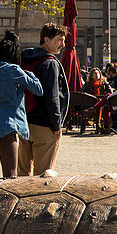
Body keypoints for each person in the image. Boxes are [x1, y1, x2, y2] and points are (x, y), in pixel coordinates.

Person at [0, 32, 42, 183]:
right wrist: (28, 74)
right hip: (6, 126)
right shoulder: (13, 70)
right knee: (10, 177)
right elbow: (38, 89)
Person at [18, 22, 69, 176]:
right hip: (44, 125)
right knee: (43, 176)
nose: (63, 44)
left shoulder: (26, 59)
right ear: (46, 40)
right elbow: (52, 97)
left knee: (22, 174)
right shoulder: (49, 63)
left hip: (24, 122)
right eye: (59, 40)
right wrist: (56, 125)